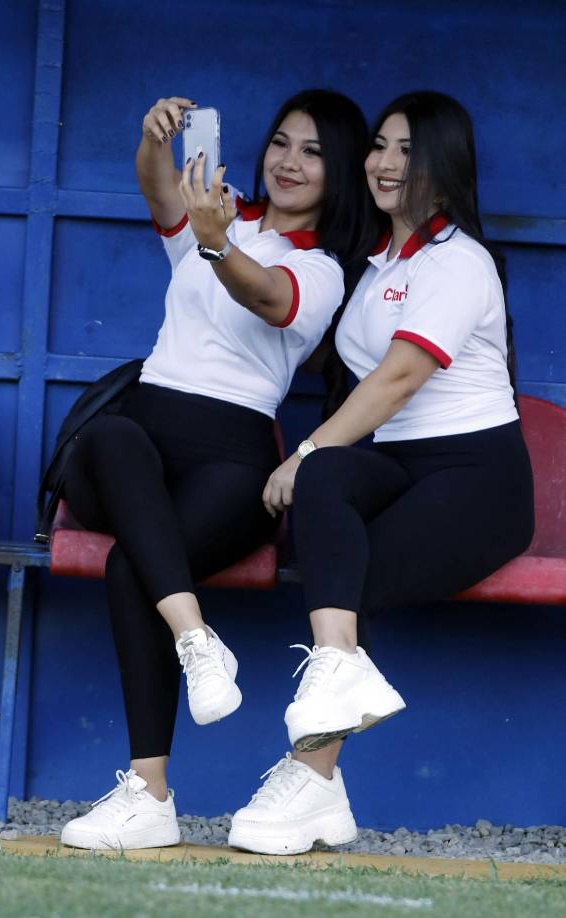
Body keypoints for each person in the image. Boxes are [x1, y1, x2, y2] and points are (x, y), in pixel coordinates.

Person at [59, 89, 371, 849]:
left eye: (313, 153)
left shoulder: (323, 268)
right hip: (145, 439)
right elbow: (156, 185)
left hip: (232, 459)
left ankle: (149, 795)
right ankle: (198, 639)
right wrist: (151, 135)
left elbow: (267, 297)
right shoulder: (220, 211)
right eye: (282, 144)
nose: (290, 162)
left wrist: (215, 244)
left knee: (137, 568)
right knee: (111, 439)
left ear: (338, 176)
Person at [229, 90, 535, 856]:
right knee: (329, 487)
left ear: (443, 164)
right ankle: (322, 764)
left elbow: (397, 380)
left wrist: (301, 452)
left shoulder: (458, 261)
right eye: (378, 146)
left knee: (338, 545)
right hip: (400, 465)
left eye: (406, 149)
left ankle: (313, 781)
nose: (385, 163)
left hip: (479, 481)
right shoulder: (376, 265)